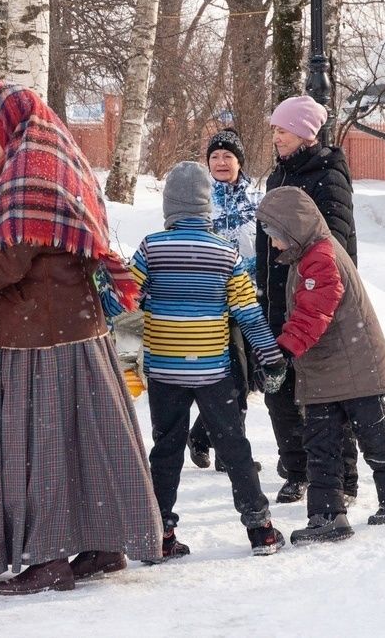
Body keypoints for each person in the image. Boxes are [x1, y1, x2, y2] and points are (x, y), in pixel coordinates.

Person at [0, 81, 162, 596]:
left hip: (30, 337)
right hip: (80, 329)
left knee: (38, 444)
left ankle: (47, 556)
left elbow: (12, 257)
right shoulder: (65, 158)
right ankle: (104, 542)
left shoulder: (27, 166)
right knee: (88, 438)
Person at [131, 161, 288, 561]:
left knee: (166, 449)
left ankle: (159, 534)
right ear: (206, 207)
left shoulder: (151, 247)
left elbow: (123, 297)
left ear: (169, 207)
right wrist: (270, 358)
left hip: (165, 370)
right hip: (212, 369)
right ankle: (261, 530)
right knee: (233, 445)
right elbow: (248, 314)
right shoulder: (225, 252)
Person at [256, 187, 385, 546]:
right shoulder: (310, 253)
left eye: (276, 235)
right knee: (321, 442)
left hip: (353, 367)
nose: (274, 244)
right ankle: (328, 513)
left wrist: (283, 349)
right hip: (329, 370)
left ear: (293, 227)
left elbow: (314, 312)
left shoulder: (320, 256)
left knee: (373, 434)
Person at [255, 96, 360, 505]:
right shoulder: (277, 177)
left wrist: (312, 295)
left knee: (328, 389)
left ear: (304, 133)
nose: (276, 137)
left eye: (282, 130)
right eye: (276, 130)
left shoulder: (328, 176)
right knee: (278, 388)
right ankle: (296, 469)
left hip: (314, 299)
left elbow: (333, 244)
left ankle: (344, 477)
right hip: (276, 296)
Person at [188, 128, 264, 472]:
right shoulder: (199, 200)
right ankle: (233, 455)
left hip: (250, 300)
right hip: (214, 302)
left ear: (239, 162)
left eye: (227, 156)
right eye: (215, 156)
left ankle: (203, 436)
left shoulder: (256, 199)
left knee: (243, 380)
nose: (221, 162)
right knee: (235, 378)